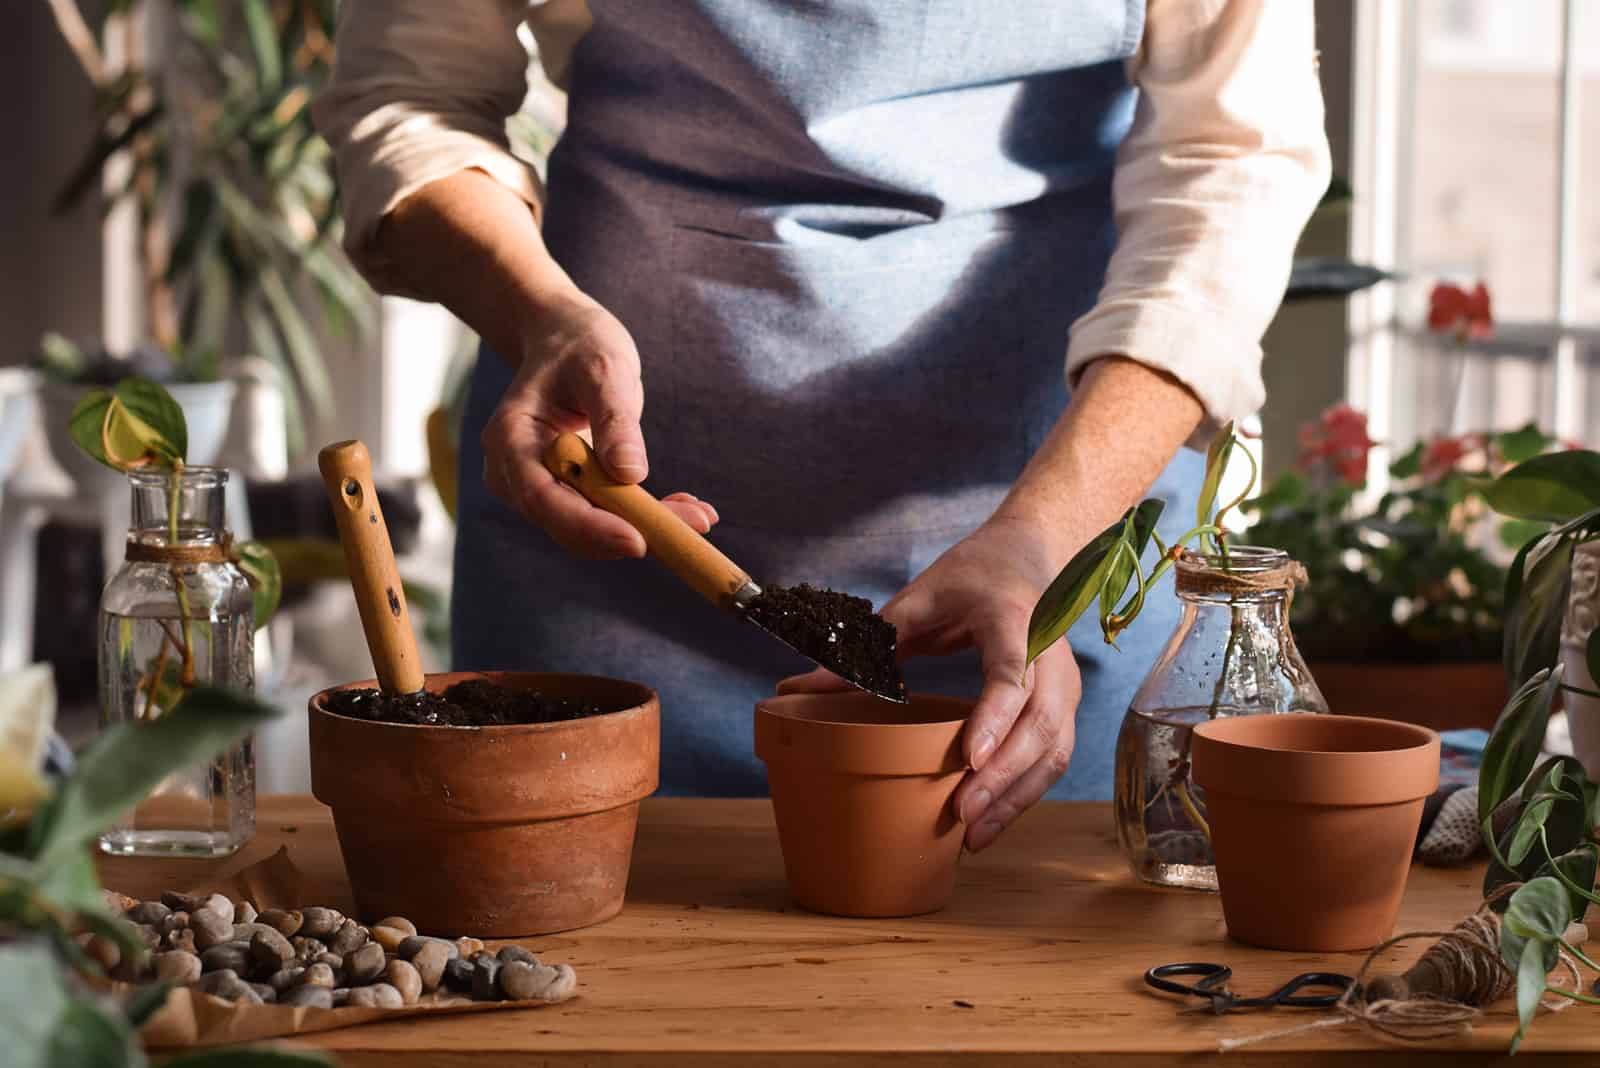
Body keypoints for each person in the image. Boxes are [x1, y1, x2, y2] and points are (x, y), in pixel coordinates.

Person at [314, 0, 1330, 851]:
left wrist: (1039, 542)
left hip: (1049, 544)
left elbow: (1232, 169)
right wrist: (537, 313)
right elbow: (412, 94)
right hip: (615, 530)